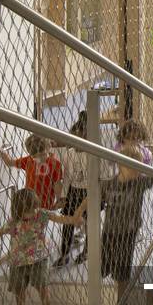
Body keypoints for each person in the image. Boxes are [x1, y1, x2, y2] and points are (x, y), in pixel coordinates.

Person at [72, 119, 153, 305]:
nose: (138, 172)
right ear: (121, 166)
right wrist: (77, 214)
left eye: (140, 169)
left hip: (127, 234)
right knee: (101, 268)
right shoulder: (109, 183)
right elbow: (91, 195)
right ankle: (96, 301)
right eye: (134, 168)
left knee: (122, 272)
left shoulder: (140, 182)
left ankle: (121, 303)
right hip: (109, 232)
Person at [0, 187, 80, 305]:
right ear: (19, 211)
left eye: (35, 207)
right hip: (18, 261)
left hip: (38, 259)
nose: (34, 211)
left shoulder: (41, 215)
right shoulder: (14, 223)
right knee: (19, 287)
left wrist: (76, 216)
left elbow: (63, 219)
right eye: (30, 210)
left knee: (42, 285)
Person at [53, 111, 90, 267]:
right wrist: (63, 196)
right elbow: (66, 177)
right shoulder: (69, 153)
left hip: (90, 192)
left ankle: (87, 250)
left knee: (89, 222)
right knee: (67, 221)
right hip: (74, 191)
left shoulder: (93, 153)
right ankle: (65, 253)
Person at [0, 134, 63, 209]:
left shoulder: (53, 164)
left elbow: (9, 162)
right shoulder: (30, 160)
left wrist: (2, 152)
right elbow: (10, 162)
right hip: (37, 203)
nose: (40, 159)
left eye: (42, 155)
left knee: (34, 219)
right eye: (35, 157)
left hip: (37, 203)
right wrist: (59, 201)